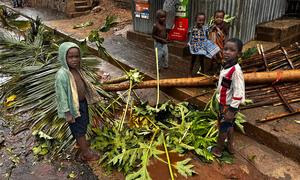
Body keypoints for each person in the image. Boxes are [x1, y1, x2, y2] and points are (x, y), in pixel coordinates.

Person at [55, 42, 101, 161]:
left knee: (84, 124)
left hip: (82, 103)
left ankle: (81, 145)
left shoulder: (77, 69)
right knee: (79, 130)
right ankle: (86, 154)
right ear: (63, 57)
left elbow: (83, 84)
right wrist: (67, 113)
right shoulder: (62, 75)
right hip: (73, 108)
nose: (74, 60)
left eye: (77, 56)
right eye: (70, 57)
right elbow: (62, 96)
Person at [212, 38, 245, 158]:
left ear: (239, 54)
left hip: (229, 106)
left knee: (223, 128)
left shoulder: (236, 71)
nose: (227, 52)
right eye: (225, 49)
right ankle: (230, 147)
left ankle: (218, 149)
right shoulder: (226, 66)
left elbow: (239, 92)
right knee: (229, 126)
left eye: (232, 50)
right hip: (223, 104)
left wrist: (231, 110)